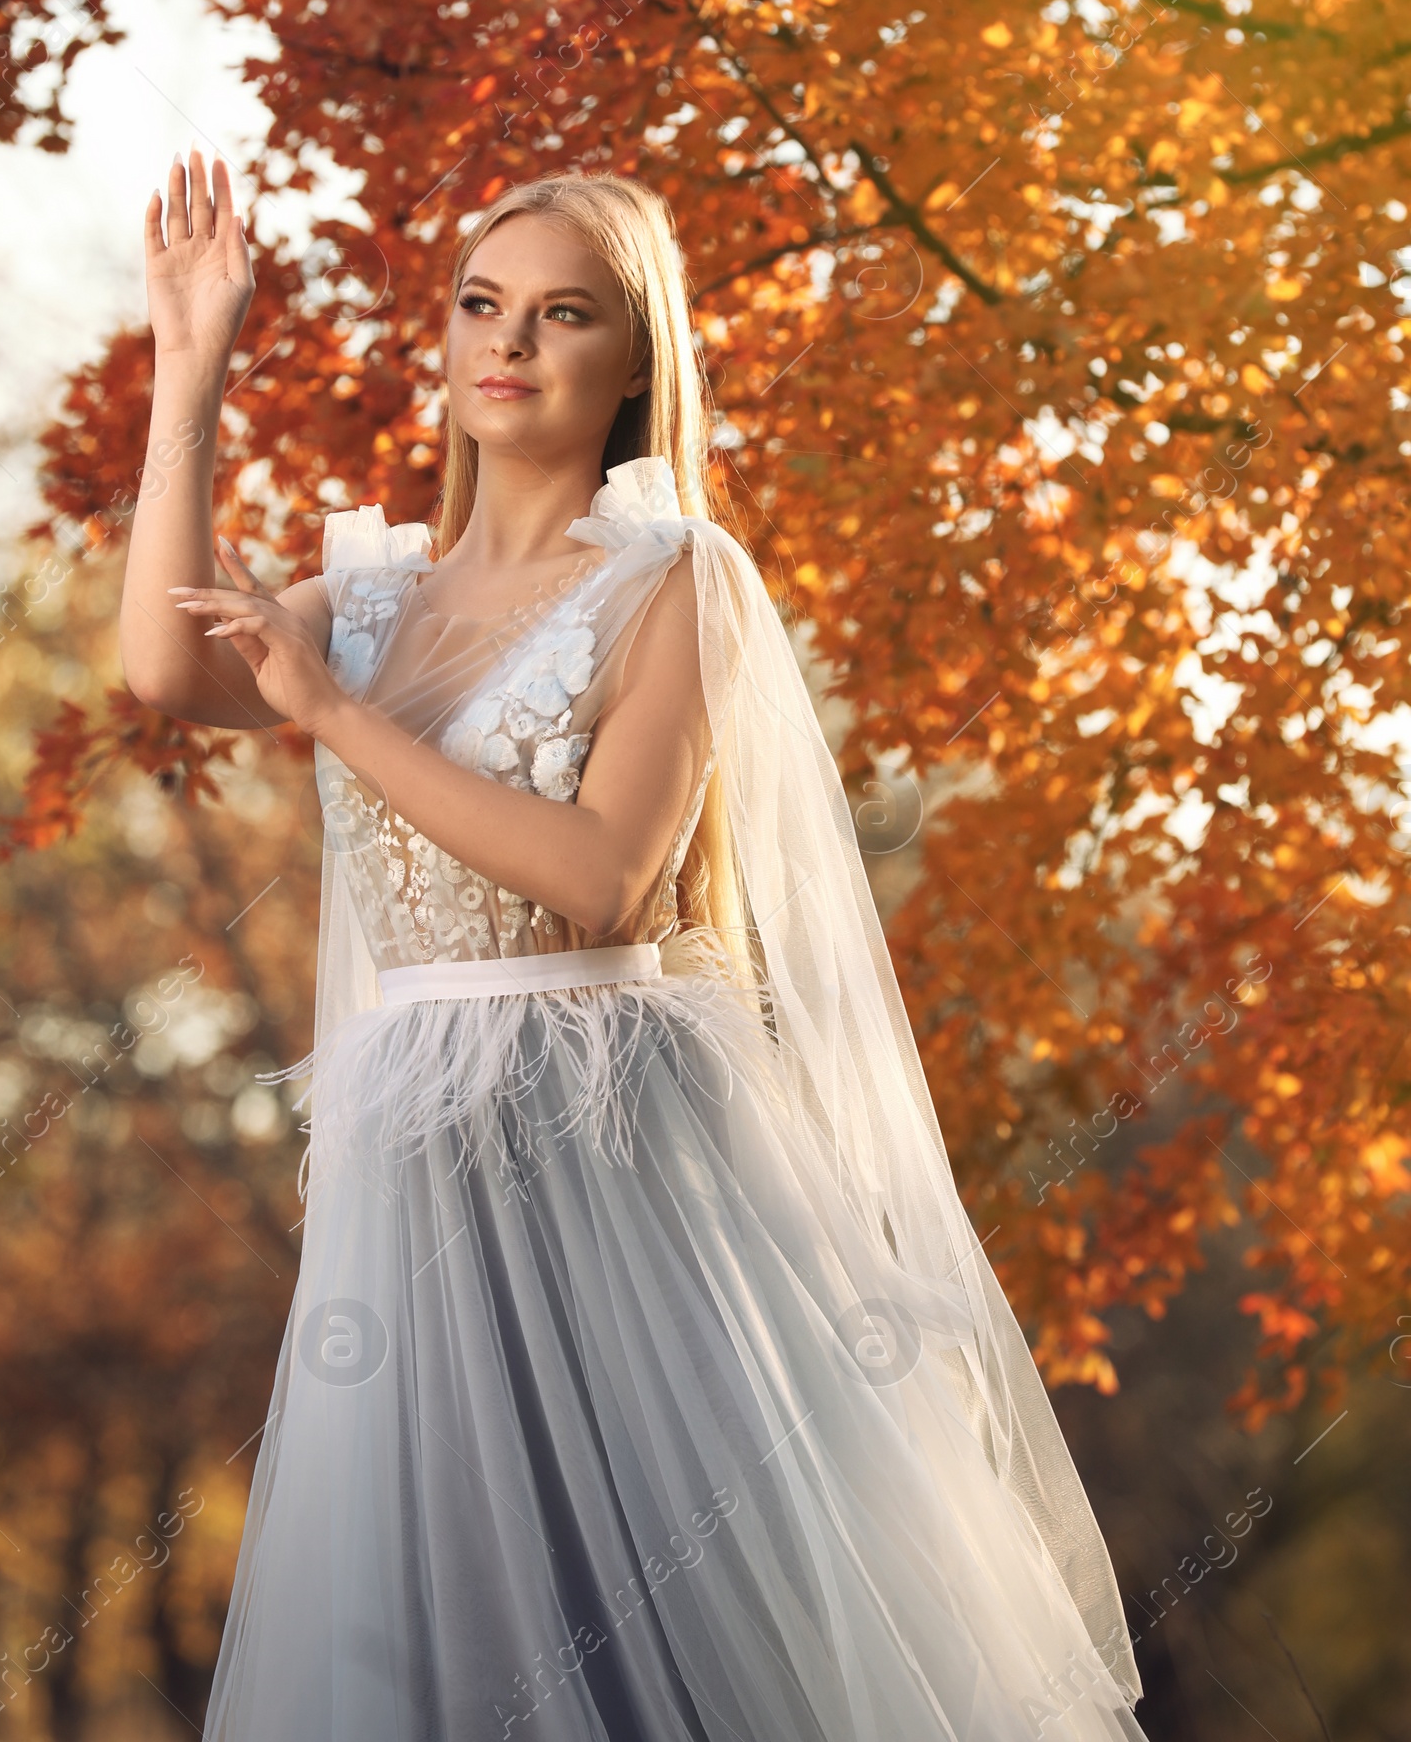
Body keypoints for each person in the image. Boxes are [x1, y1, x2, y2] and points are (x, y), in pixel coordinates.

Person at [121, 153, 1148, 1741]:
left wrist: (327, 714)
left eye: (561, 314)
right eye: (481, 306)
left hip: (620, 1146)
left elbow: (602, 878)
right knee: (450, 1625)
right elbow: (165, 667)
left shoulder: (680, 581)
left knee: (687, 1617)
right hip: (415, 1164)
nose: (507, 343)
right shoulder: (374, 596)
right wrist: (191, 366)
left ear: (631, 362)